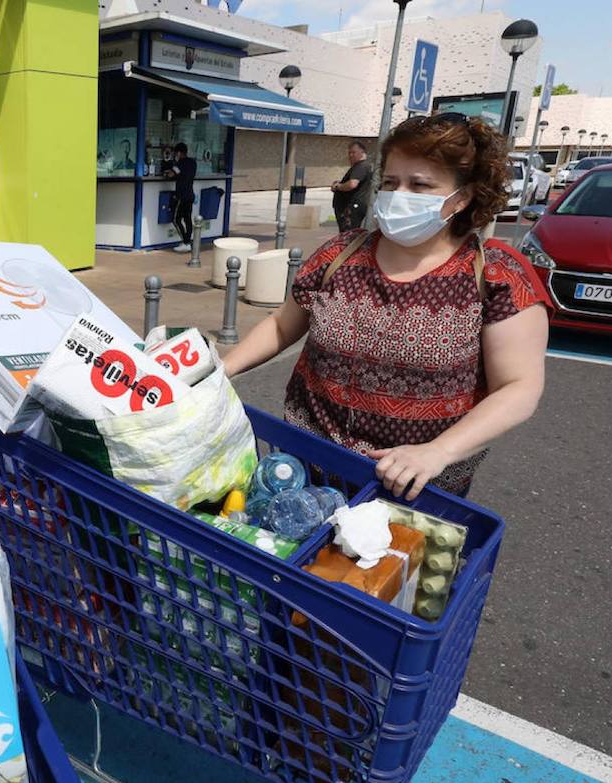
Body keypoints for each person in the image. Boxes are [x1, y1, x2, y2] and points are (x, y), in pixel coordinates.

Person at [223, 113, 548, 500]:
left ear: (462, 197)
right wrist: (219, 371)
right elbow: (281, 325)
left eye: (420, 185)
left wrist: (438, 452)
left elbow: (519, 386)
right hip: (304, 471)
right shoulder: (339, 254)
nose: (399, 195)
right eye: (391, 183)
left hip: (413, 489)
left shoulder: (495, 275)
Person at [163, 142, 198, 253]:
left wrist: (169, 169)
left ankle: (185, 242)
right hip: (190, 195)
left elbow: (171, 174)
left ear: (178, 153)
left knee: (176, 219)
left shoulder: (180, 164)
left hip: (181, 196)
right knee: (187, 219)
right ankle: (188, 242)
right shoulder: (193, 163)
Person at [332, 140, 373, 232]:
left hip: (351, 209)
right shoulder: (362, 166)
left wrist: (338, 186)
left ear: (362, 152)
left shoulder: (361, 166)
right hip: (351, 208)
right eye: (349, 153)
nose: (350, 155)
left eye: (353, 152)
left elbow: (352, 184)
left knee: (348, 236)